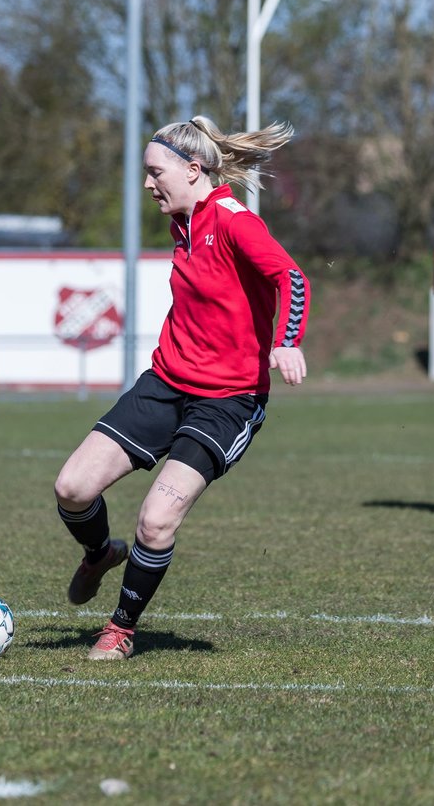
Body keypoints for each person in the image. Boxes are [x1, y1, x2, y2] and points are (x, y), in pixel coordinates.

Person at [52, 115, 310, 661]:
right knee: (73, 488)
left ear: (193, 170)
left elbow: (291, 278)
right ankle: (99, 554)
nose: (148, 185)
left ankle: (120, 629)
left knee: (156, 517)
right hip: (165, 384)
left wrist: (286, 340)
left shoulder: (236, 222)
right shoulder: (184, 221)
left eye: (155, 173)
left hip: (227, 401)